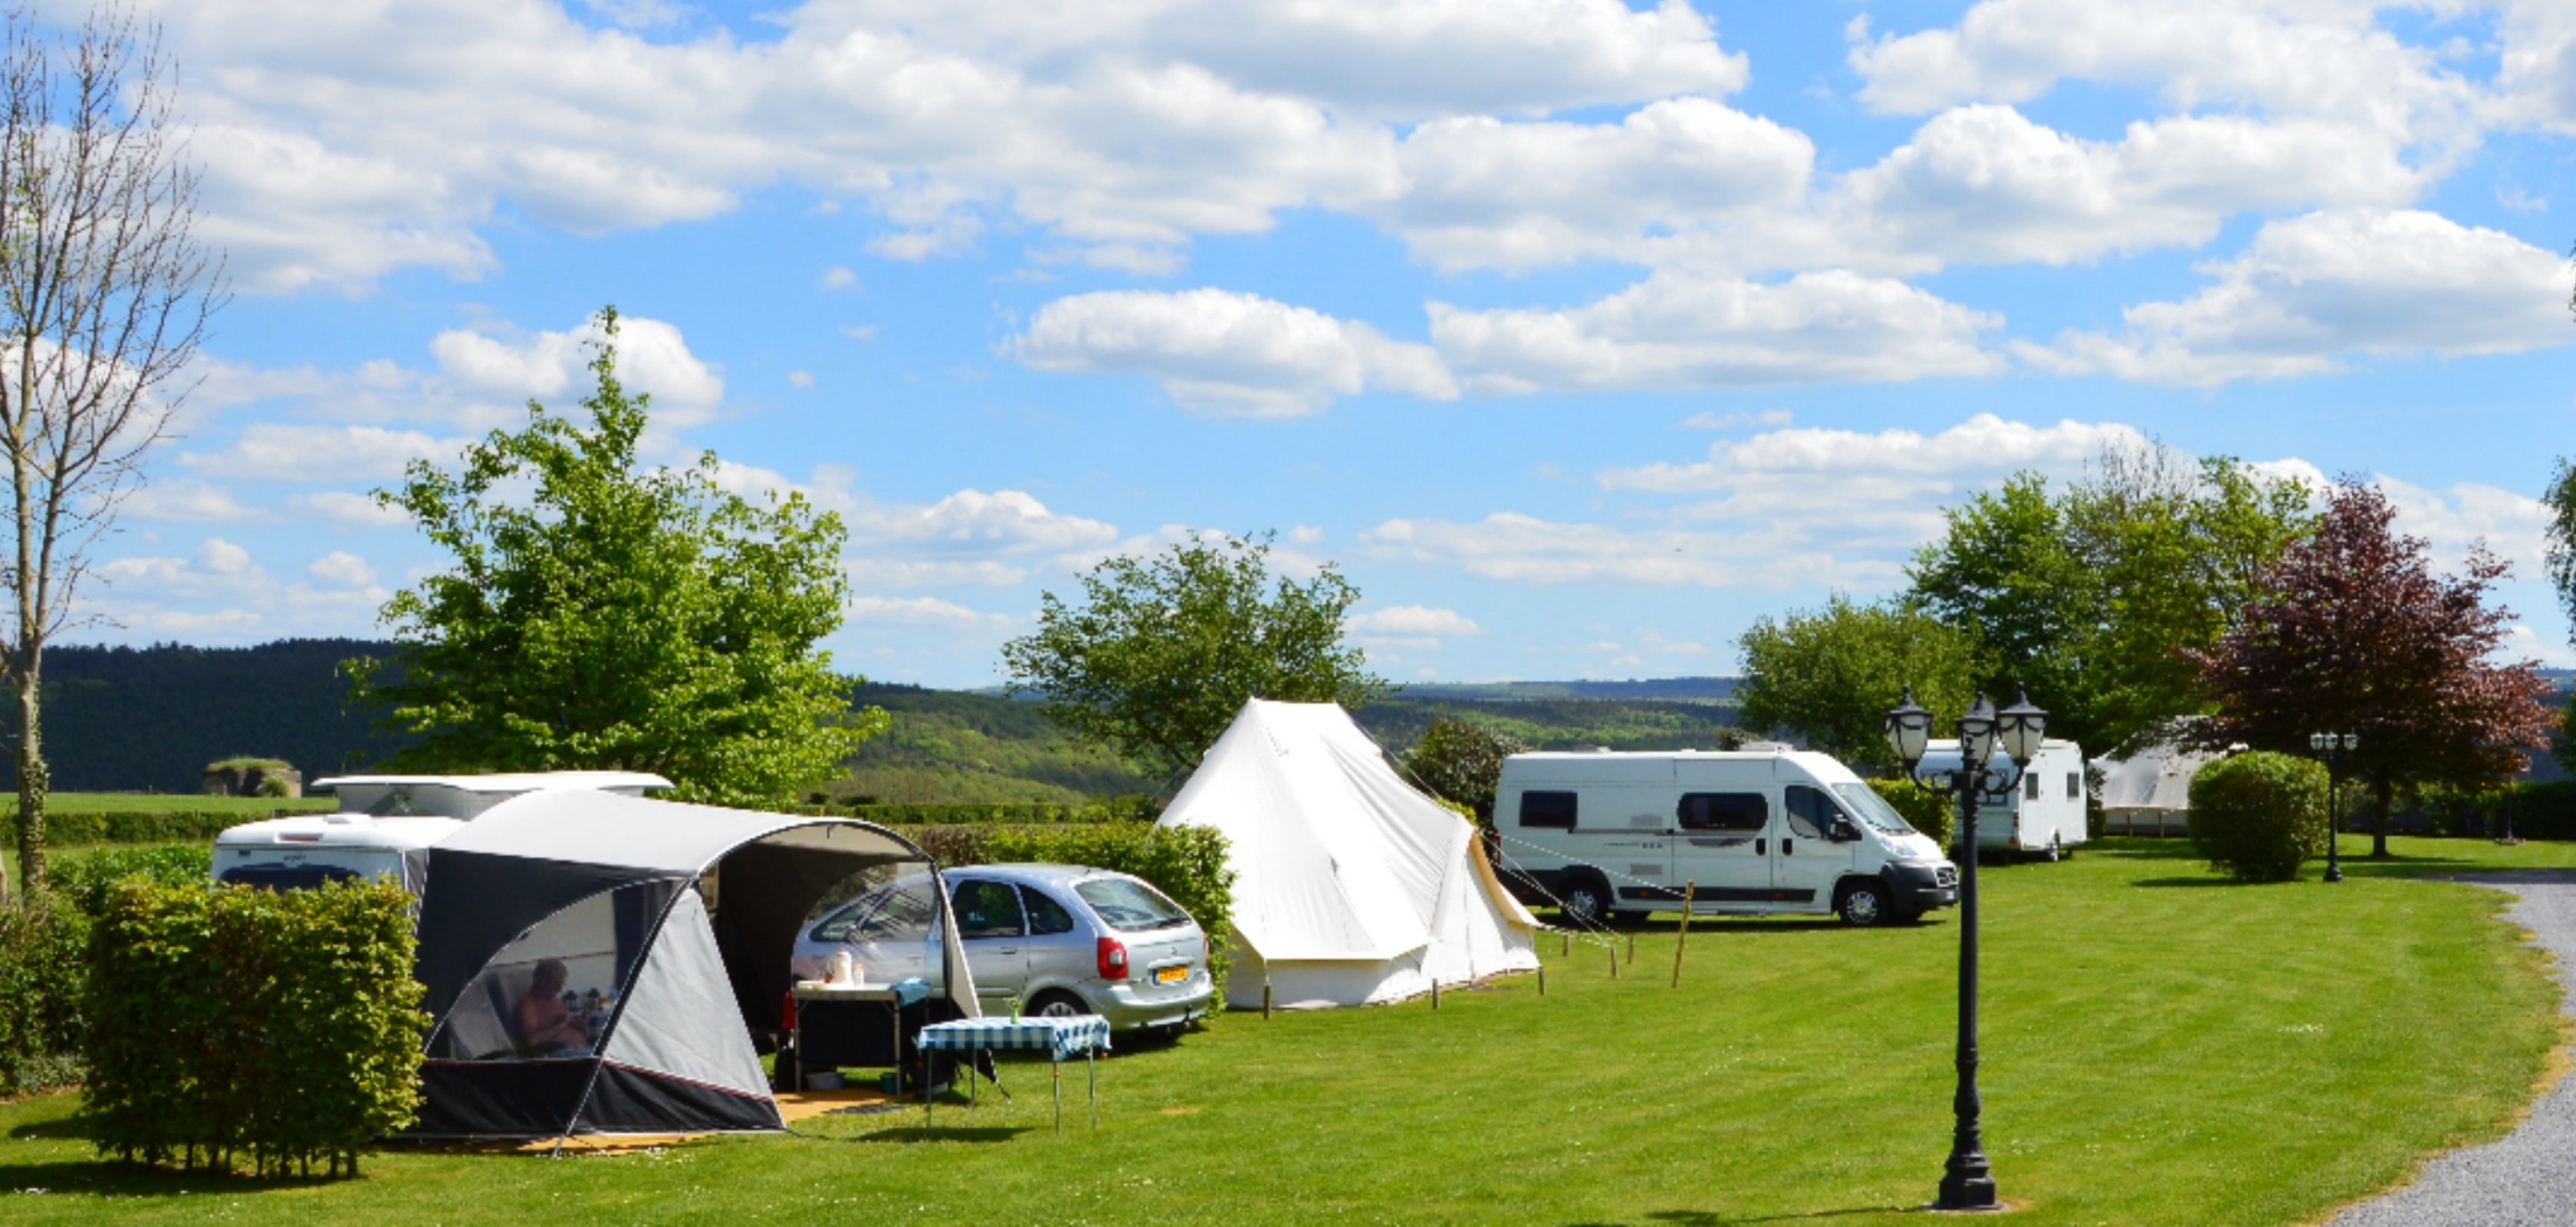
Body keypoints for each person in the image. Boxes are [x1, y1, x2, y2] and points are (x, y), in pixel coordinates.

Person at [515, 959, 590, 1053]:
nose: (560, 989)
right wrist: (563, 1024)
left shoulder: (554, 1000)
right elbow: (532, 1041)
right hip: (563, 1056)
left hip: (582, 1049)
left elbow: (568, 1021)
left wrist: (579, 1025)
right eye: (556, 983)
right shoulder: (529, 1007)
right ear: (542, 981)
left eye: (562, 984)